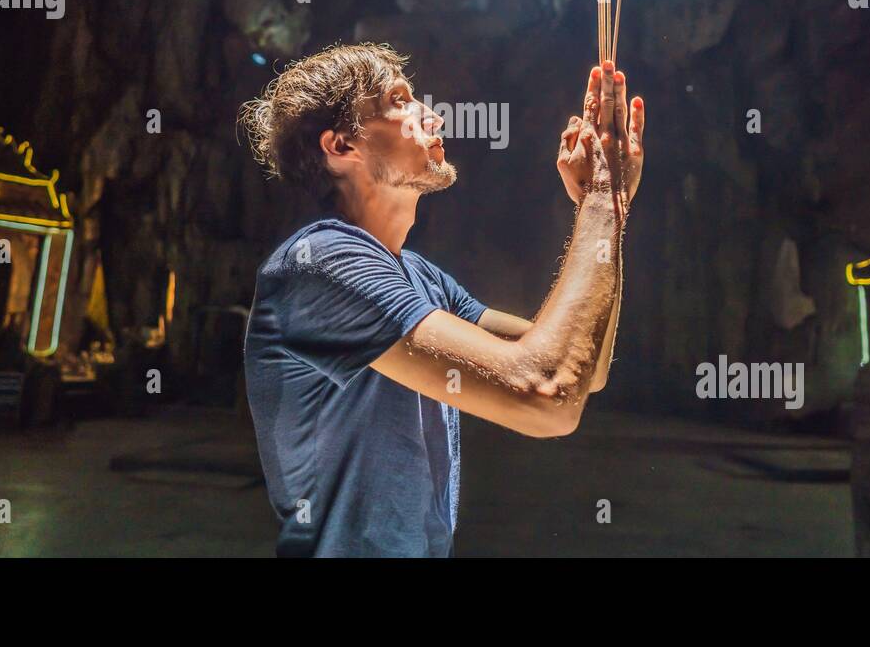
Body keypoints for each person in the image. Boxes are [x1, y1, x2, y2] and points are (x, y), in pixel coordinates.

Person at [238, 42, 646, 556]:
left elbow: (586, 370)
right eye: (400, 100)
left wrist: (609, 206)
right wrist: (601, 199)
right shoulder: (318, 264)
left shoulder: (419, 278)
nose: (431, 116)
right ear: (342, 146)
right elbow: (546, 394)